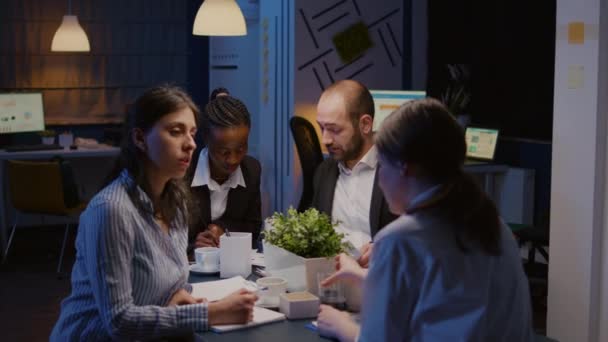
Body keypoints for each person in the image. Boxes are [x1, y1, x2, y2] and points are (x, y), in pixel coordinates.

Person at [317, 98, 534, 341]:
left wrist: (344, 327)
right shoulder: (495, 226)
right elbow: (450, 299)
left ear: (404, 168)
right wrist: (370, 276)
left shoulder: (399, 239)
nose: (380, 180)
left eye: (383, 167)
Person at [50, 86, 257, 341]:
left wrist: (178, 296)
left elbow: (162, 287)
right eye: (175, 132)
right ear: (139, 138)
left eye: (192, 133)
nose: (190, 144)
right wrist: (209, 313)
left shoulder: (177, 202)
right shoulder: (112, 209)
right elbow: (119, 321)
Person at [312, 80, 396, 266]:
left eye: (334, 130)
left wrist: (385, 249)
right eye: (321, 128)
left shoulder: (396, 172)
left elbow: (419, 237)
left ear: (365, 125)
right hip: (332, 277)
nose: (325, 139)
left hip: (378, 277)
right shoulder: (324, 172)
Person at [188, 89, 262, 251]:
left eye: (241, 149)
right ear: (206, 140)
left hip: (234, 266)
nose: (233, 159)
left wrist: (222, 228)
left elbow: (254, 227)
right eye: (224, 152)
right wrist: (193, 245)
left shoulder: (251, 170)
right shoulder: (183, 172)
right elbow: (162, 237)